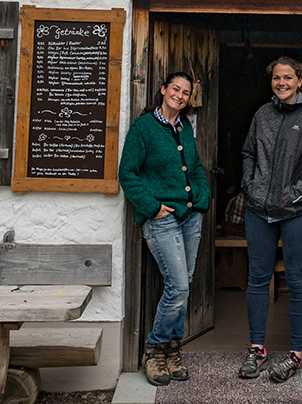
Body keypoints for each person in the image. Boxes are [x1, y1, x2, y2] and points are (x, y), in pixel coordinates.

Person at [238, 57, 302, 383]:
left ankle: (294, 355)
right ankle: (256, 350)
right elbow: (248, 152)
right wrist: (250, 186)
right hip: (259, 211)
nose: (282, 83)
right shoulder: (262, 114)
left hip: (299, 213)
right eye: (277, 78)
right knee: (257, 279)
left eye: (288, 77)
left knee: (297, 281)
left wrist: (295, 192)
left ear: (299, 80)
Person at [118, 71, 211, 387]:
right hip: (161, 218)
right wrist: (152, 208)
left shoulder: (185, 127)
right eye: (176, 89)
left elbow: (195, 168)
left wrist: (202, 196)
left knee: (183, 283)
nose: (180, 95)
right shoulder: (143, 128)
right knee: (179, 287)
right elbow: (127, 174)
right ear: (163, 90)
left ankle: (172, 350)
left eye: (186, 92)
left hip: (190, 215)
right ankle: (154, 351)